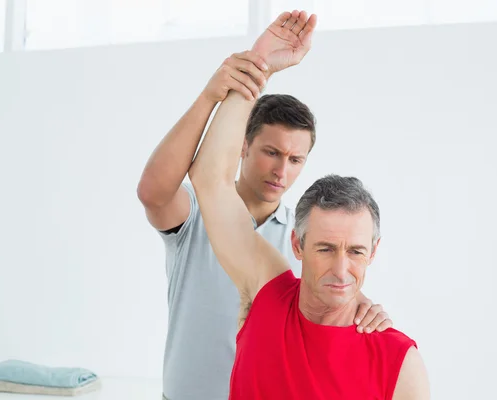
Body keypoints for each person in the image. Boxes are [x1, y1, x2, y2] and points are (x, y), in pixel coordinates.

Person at [137, 10, 394, 400]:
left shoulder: (304, 238)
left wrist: (361, 304)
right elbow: (155, 191)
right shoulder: (195, 213)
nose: (281, 170)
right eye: (271, 152)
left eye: (295, 160)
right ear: (243, 145)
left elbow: (328, 290)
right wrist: (228, 86)